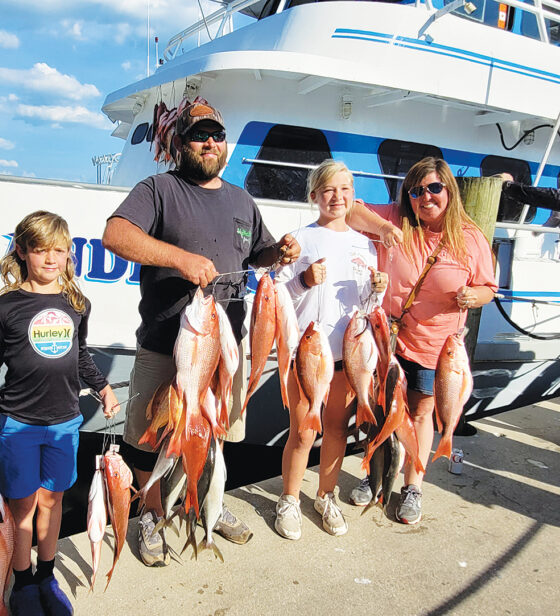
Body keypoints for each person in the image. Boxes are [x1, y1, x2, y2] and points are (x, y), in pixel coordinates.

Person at [101, 100, 301, 565]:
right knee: (149, 436)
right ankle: (151, 515)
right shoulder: (159, 189)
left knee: (212, 433)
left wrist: (281, 253)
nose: (210, 143)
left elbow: (260, 253)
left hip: (224, 347)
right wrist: (179, 259)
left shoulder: (241, 200)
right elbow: (115, 235)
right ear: (180, 143)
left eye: (217, 134)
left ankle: (207, 505)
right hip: (165, 345)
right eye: (199, 135)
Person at [0, 210, 119, 616]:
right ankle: (23, 580)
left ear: (69, 254)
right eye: (40, 250)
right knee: (21, 506)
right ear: (22, 251)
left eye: (59, 251)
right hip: (19, 423)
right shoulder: (5, 307)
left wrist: (102, 387)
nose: (51, 259)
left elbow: (80, 355)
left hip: (66, 420)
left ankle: (46, 574)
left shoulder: (76, 303)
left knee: (53, 499)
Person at [345, 157, 498, 524]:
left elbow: (488, 289)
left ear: (449, 190)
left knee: (420, 412)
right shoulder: (398, 218)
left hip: (438, 347)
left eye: (433, 188)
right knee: (381, 409)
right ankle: (375, 473)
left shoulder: (470, 237)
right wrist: (383, 227)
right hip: (389, 339)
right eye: (416, 191)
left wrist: (472, 297)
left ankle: (413, 485)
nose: (425, 197)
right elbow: (350, 211)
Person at [272, 160, 387, 540]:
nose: (337, 197)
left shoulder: (365, 245)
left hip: (346, 357)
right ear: (314, 196)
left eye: (345, 190)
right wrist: (304, 279)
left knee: (337, 428)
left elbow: (367, 309)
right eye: (328, 190)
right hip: (307, 354)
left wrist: (377, 290)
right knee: (304, 431)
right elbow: (278, 295)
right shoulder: (299, 239)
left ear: (353, 196)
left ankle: (325, 495)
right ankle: (289, 499)